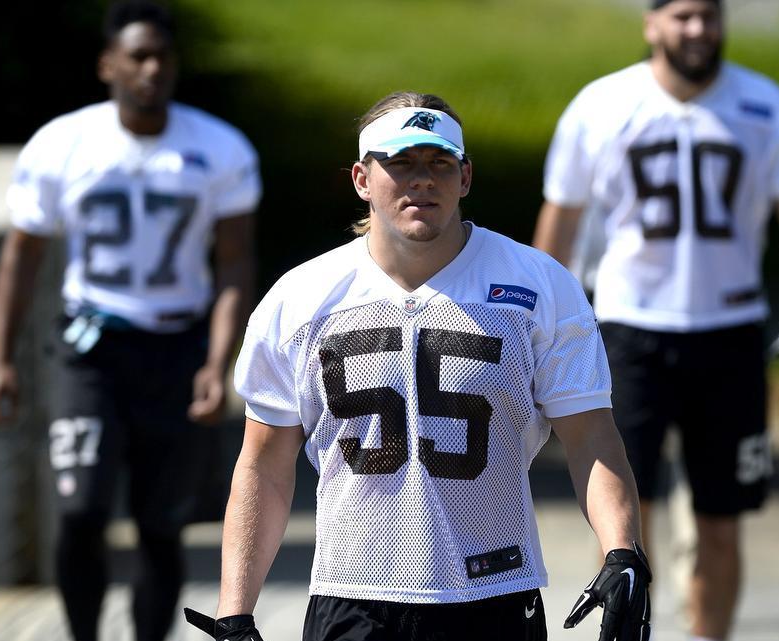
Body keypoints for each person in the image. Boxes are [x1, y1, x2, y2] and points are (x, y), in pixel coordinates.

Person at [182, 91, 651, 641]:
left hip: (493, 589)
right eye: (400, 162)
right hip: (352, 592)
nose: (421, 179)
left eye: (439, 162)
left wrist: (622, 550)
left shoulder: (538, 284)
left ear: (465, 176)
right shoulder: (301, 298)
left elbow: (591, 435)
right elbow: (264, 465)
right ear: (362, 179)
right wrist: (235, 611)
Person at [532, 1, 779, 640]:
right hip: (627, 330)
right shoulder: (601, 106)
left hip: (728, 334)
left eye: (709, 15)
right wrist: (534, 321)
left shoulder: (767, 107)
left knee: (722, 519)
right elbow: (560, 222)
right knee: (622, 517)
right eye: (683, 16)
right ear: (652, 24)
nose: (698, 30)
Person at [0, 2, 261, 640]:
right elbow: (21, 257)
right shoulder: (62, 143)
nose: (152, 68)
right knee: (80, 509)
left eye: (163, 55)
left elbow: (235, 264)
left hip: (178, 345)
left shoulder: (218, 147)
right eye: (137, 55)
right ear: (108, 64)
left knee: (161, 520)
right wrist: (1, 359)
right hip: (92, 346)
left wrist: (219, 363)